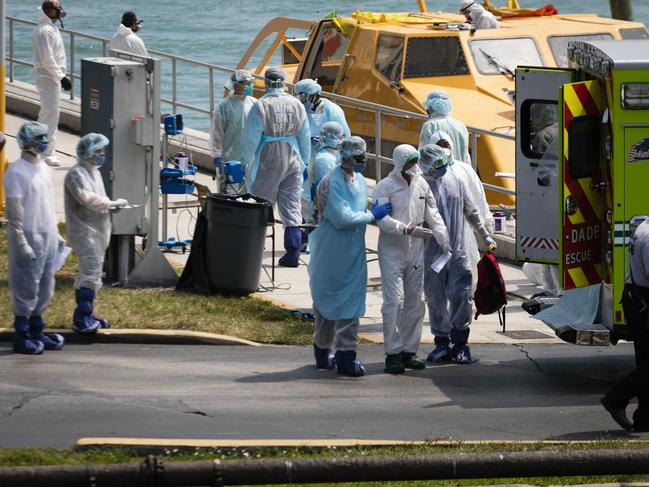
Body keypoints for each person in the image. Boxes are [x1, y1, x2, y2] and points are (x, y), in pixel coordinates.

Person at [308, 136, 392, 376]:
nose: (362, 161)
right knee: (327, 303)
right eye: (358, 158)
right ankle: (330, 354)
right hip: (332, 250)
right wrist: (371, 215)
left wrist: (369, 214)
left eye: (364, 157)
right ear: (345, 157)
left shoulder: (356, 180)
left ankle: (344, 353)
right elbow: (341, 217)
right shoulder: (332, 181)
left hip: (352, 250)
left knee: (350, 304)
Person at [373, 144, 449, 374]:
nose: (414, 166)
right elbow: (381, 219)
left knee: (415, 303)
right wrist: (405, 229)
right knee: (394, 302)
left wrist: (444, 239)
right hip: (392, 251)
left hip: (416, 251)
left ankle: (409, 350)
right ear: (398, 163)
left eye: (415, 161)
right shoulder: (385, 187)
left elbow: (433, 214)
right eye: (409, 162)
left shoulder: (421, 183)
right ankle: (393, 352)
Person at [420, 144, 496, 365]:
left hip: (458, 249)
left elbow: (470, 210)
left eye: (445, 163)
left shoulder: (455, 180)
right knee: (435, 297)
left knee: (462, 295)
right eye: (439, 165)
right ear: (428, 165)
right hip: (432, 251)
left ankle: (461, 344)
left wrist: (484, 234)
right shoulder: (420, 185)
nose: (443, 168)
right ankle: (441, 343)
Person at [4, 122, 66, 355]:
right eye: (40, 137)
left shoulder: (42, 168)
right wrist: (20, 240)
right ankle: (22, 335)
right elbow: (14, 210)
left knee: (45, 286)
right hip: (28, 234)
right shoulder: (16, 171)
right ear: (28, 140)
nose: (44, 141)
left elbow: (47, 206)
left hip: (47, 233)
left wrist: (56, 234)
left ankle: (38, 330)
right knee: (26, 286)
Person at [242, 66, 311, 268]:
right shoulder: (296, 104)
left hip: (268, 157)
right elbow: (304, 136)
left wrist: (245, 161)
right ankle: (293, 252)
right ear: (283, 82)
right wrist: (305, 161)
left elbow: (251, 138)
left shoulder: (260, 106)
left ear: (266, 82)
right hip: (292, 156)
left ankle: (253, 248)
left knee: (260, 202)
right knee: (291, 204)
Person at [64, 133, 128, 335]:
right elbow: (86, 198)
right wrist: (110, 203)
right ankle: (82, 317)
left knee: (92, 273)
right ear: (88, 152)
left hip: (97, 230)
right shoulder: (76, 174)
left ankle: (87, 314)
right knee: (89, 273)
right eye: (98, 151)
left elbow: (98, 197)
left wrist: (111, 205)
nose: (102, 155)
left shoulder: (94, 172)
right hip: (85, 231)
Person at [427, 130, 494, 290]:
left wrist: (486, 227)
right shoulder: (425, 174)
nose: (444, 149)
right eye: (439, 146)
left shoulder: (464, 170)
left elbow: (477, 199)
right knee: (438, 279)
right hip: (436, 234)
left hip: (463, 232)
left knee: (467, 274)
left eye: (446, 145)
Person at [601, 216, 649, 433]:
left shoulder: (644, 226)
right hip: (643, 302)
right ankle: (616, 398)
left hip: (636, 299)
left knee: (645, 362)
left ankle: (645, 418)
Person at [32, 0, 71, 167]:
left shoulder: (50, 28)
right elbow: (48, 59)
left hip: (51, 78)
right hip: (48, 78)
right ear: (49, 11)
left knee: (49, 115)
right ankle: (46, 152)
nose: (60, 10)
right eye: (57, 8)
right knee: (50, 115)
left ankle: (40, 148)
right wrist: (61, 76)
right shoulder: (44, 31)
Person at [209, 69, 256, 178]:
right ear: (235, 85)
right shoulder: (224, 106)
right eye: (245, 83)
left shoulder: (254, 103)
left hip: (251, 158)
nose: (248, 86)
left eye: (249, 83)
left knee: (250, 192)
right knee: (229, 191)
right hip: (229, 160)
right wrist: (216, 154)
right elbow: (216, 133)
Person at [304, 121, 344, 223]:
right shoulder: (325, 159)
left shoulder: (333, 154)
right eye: (341, 136)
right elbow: (325, 190)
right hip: (323, 210)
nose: (343, 139)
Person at [294, 78, 351, 147]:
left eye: (304, 97)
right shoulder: (305, 110)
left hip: (327, 151)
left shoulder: (331, 109)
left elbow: (345, 136)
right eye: (299, 97)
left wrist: (323, 141)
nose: (302, 101)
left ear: (315, 96)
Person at [419, 91, 471, 165]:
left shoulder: (429, 125)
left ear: (430, 107)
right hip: (460, 172)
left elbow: (424, 155)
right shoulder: (461, 126)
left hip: (438, 172)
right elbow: (466, 157)